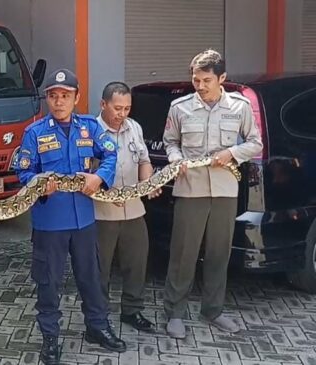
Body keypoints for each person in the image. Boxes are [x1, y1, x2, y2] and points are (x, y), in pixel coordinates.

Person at [13, 68, 126, 364]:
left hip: (84, 220)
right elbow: (23, 172)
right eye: (53, 96)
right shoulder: (34, 133)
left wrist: (99, 177)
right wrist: (38, 186)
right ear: (47, 99)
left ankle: (97, 327)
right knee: (49, 282)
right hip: (50, 222)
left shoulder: (90, 127)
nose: (59, 101)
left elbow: (111, 154)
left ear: (76, 98)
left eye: (65, 96)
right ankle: (50, 339)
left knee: (91, 277)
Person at [162, 49, 263, 338]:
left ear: (222, 78)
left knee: (219, 253)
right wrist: (175, 159)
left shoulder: (240, 107)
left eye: (207, 80)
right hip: (190, 188)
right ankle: (175, 314)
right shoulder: (180, 107)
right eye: (196, 80)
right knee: (184, 254)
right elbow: (170, 142)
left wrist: (232, 152)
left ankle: (213, 310)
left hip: (224, 190)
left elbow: (255, 143)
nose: (201, 86)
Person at [95, 81, 160, 333]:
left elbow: (143, 160)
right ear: (103, 104)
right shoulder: (90, 132)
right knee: (100, 268)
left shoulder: (134, 127)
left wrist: (148, 181)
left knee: (136, 263)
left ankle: (132, 311)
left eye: (127, 108)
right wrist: (105, 193)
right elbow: (85, 172)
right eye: (117, 108)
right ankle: (98, 318)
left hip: (133, 209)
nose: (122, 114)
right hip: (102, 213)